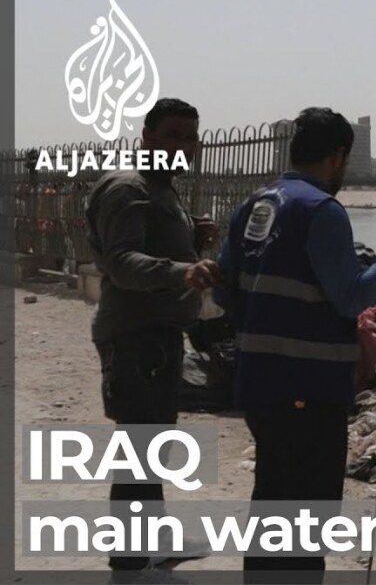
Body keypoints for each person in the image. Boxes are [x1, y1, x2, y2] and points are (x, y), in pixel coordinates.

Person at [214, 107, 376, 584]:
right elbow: (352, 297)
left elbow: (223, 290)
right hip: (308, 388)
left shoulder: (254, 205)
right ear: (339, 156)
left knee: (272, 502)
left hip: (258, 384)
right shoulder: (321, 211)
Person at [85, 97, 220, 583]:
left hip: (158, 334)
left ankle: (154, 542)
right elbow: (122, 262)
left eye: (191, 137)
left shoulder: (160, 188)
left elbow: (152, 246)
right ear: (147, 137)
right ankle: (128, 562)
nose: (184, 145)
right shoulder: (129, 188)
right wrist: (183, 270)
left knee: (152, 446)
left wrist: (193, 240)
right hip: (135, 335)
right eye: (173, 135)